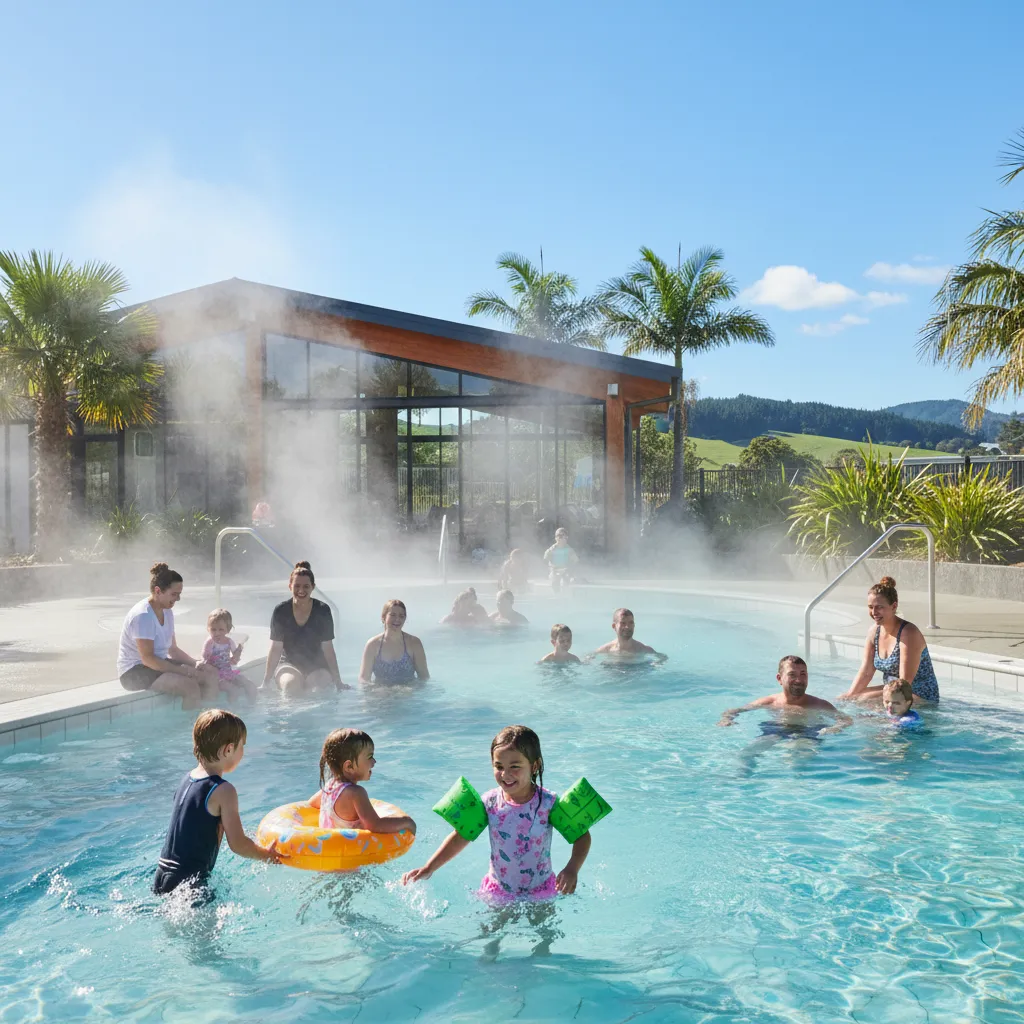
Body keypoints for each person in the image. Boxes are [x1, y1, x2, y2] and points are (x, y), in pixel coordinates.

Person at [401, 725, 592, 901]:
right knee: (489, 936)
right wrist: (429, 868)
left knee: (546, 936)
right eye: (499, 766)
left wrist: (572, 868)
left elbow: (582, 836)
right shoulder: (490, 802)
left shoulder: (548, 803)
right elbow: (462, 836)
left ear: (534, 766)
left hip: (540, 889)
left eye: (515, 767)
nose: (505, 774)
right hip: (499, 890)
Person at [153, 709, 280, 895]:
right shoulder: (224, 790)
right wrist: (266, 856)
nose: (243, 751)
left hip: (162, 873)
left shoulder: (186, 779)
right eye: (242, 746)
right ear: (228, 749)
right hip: (190, 881)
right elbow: (238, 844)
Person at [117, 562, 218, 709]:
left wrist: (195, 663)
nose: (178, 599)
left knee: (210, 674)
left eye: (179, 594)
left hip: (157, 664)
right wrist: (183, 671)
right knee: (190, 686)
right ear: (158, 591)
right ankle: (194, 729)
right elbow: (148, 659)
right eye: (174, 594)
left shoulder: (167, 611)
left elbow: (173, 650)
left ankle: (214, 720)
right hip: (134, 672)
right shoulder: (143, 616)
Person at [840, 576, 940, 703]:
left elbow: (904, 682)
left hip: (917, 694)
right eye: (870, 607)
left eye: (879, 607)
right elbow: (866, 672)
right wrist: (849, 695)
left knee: (863, 700)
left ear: (894, 606)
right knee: (851, 697)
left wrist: (866, 699)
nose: (874, 612)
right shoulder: (874, 632)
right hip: (893, 690)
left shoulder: (909, 633)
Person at [717, 655, 853, 741]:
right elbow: (734, 711)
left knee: (797, 758)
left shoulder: (819, 704)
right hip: (775, 729)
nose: (799, 680)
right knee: (749, 752)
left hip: (808, 732)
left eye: (803, 674)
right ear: (779, 678)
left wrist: (834, 728)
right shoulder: (770, 702)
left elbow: (846, 720)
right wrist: (726, 719)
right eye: (792, 675)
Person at [308, 728, 417, 835]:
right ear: (349, 766)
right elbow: (375, 825)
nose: (374, 761)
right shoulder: (356, 793)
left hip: (329, 849)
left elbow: (311, 804)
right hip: (352, 851)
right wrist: (406, 821)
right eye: (370, 757)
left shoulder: (330, 787)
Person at [263, 561, 345, 695]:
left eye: (306, 586)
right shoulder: (281, 611)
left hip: (318, 666)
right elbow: (276, 648)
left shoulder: (323, 610)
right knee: (291, 687)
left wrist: (338, 681)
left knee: (316, 691)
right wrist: (265, 682)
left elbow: (328, 648)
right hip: (289, 664)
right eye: (297, 586)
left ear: (313, 587)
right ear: (290, 586)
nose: (301, 590)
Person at [358, 599, 429, 685]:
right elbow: (363, 679)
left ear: (405, 619)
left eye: (401, 616)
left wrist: (411, 691)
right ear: (383, 617)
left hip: (409, 695)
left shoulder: (414, 643)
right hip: (381, 695)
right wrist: (377, 691)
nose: (397, 619)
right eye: (393, 615)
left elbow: (424, 678)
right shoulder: (373, 645)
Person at [201, 609, 257, 702]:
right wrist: (207, 654)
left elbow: (235, 660)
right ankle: (233, 710)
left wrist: (238, 652)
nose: (217, 633)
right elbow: (204, 658)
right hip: (215, 676)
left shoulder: (229, 642)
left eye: (221, 629)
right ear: (208, 629)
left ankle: (251, 706)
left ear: (228, 629)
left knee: (249, 684)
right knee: (233, 690)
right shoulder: (210, 642)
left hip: (227, 672)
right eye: (213, 629)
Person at [593, 608, 665, 661]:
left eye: (631, 623)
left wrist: (657, 664)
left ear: (634, 625)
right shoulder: (606, 649)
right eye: (623, 623)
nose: (627, 627)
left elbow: (663, 657)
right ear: (614, 626)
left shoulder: (642, 649)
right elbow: (588, 659)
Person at [543, 528, 579, 593]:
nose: (562, 539)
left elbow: (575, 560)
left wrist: (571, 569)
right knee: (554, 582)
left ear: (566, 538)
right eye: (560, 537)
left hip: (565, 569)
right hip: (554, 569)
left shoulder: (568, 549)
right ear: (556, 538)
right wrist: (547, 564)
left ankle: (564, 594)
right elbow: (546, 557)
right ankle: (556, 595)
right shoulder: (553, 549)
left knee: (566, 582)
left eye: (564, 537)